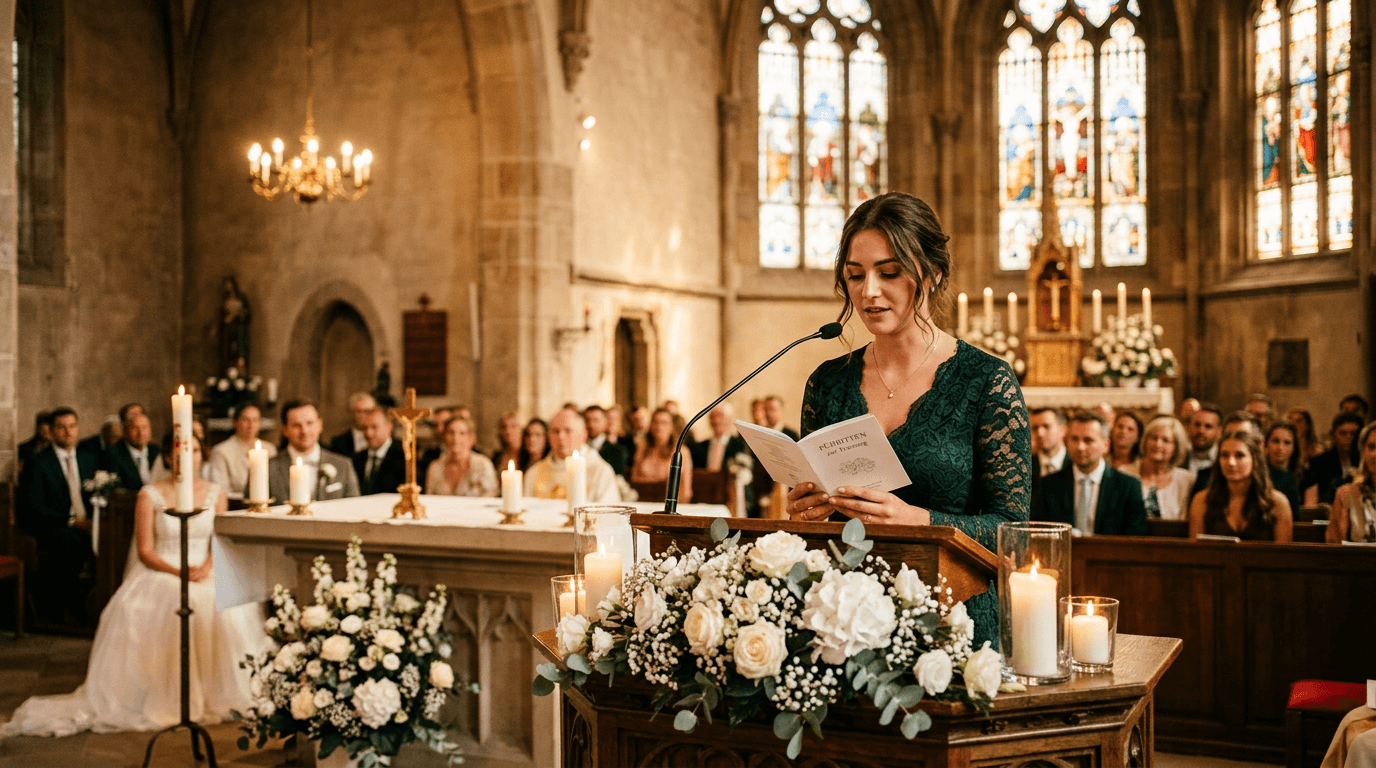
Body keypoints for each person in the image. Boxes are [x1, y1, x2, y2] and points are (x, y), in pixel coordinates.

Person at [784, 192, 1031, 649]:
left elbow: (1013, 532)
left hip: (956, 627)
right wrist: (806, 512)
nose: (868, 291)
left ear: (932, 274)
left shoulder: (985, 381)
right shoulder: (827, 383)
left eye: (889, 272)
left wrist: (918, 520)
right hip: (845, 625)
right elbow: (817, 525)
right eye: (855, 275)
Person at [0, 438, 267, 737]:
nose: (185, 458)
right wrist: (176, 570)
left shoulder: (216, 494)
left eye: (192, 451)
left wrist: (207, 566)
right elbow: (145, 550)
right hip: (162, 567)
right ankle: (160, 695)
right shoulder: (149, 494)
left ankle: (217, 692)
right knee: (165, 603)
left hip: (204, 568)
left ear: (200, 457)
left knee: (221, 604)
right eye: (178, 451)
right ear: (167, 457)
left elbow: (218, 541)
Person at [16, 407, 97, 624]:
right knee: (71, 541)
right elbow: (33, 507)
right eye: (61, 428)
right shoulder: (39, 461)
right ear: (51, 431)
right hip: (53, 524)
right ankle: (66, 605)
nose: (68, 432)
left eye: (72, 427)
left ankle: (96, 602)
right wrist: (72, 522)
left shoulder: (88, 458)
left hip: (90, 523)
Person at [1033, 413, 1148, 535]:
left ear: (1105, 445)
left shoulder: (1128, 486)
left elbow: (1136, 536)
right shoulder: (1048, 485)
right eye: (1074, 439)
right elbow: (1040, 533)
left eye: (1088, 440)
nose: (1080, 447)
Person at [1188, 430, 1293, 542]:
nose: (1231, 462)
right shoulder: (1202, 500)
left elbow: (1284, 555)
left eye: (1239, 455)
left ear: (1254, 459)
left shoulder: (1278, 502)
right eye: (1224, 455)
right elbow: (1195, 552)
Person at [1191, 412, 1300, 514]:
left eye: (1242, 437)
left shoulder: (1283, 481)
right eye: (1228, 436)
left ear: (1259, 444)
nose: (1233, 441)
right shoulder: (1205, 478)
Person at [268, 399, 360, 502]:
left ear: (320, 425)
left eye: (310, 423)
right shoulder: (268, 468)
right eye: (296, 425)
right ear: (284, 430)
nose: (304, 431)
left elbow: (354, 508)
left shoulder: (343, 466)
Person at [524, 409, 620, 502]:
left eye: (568, 431)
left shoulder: (600, 471)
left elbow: (608, 515)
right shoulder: (533, 474)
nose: (561, 437)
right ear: (549, 436)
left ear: (583, 434)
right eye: (555, 431)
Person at [1121, 416, 1195, 520]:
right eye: (1154, 438)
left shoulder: (1187, 480)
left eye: (1165, 440)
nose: (1158, 444)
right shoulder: (1123, 474)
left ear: (1176, 447)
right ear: (1145, 441)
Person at [207, 404, 276, 499]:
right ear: (235, 422)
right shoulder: (221, 451)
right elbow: (220, 490)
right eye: (246, 420)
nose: (251, 425)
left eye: (255, 420)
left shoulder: (269, 449)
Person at [631, 408, 694, 502]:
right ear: (651, 425)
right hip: (646, 502)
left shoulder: (682, 452)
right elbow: (634, 479)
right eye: (655, 422)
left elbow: (686, 492)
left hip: (672, 505)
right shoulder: (642, 449)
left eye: (664, 423)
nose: (659, 427)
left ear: (671, 426)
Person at [426, 414, 498, 496]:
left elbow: (489, 498)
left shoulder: (483, 465)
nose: (455, 438)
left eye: (462, 433)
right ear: (444, 437)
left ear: (471, 438)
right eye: (451, 432)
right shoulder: (435, 467)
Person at [1327, 422, 1376, 543]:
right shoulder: (1346, 494)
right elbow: (1334, 545)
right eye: (1371, 447)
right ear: (1363, 451)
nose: (1375, 454)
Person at [1309, 411, 1364, 504]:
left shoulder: (1366, 461)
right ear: (1334, 435)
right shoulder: (1318, 462)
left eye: (1353, 433)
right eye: (1343, 433)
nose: (1348, 437)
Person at [100, 412, 159, 493]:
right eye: (135, 428)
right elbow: (116, 492)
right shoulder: (112, 454)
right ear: (124, 431)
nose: (141, 433)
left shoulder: (157, 451)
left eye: (144, 427)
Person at [353, 408, 406, 495]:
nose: (368, 433)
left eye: (374, 427)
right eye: (364, 428)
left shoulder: (404, 458)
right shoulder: (356, 459)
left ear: (389, 427)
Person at [689, 403, 750, 473]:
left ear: (729, 419)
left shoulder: (739, 445)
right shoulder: (699, 448)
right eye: (712, 417)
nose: (716, 420)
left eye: (720, 416)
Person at [327, 392, 377, 458]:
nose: (362, 415)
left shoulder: (382, 438)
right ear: (352, 413)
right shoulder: (339, 443)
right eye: (358, 411)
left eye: (367, 411)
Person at [585, 405, 631, 477]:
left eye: (596, 420)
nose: (591, 425)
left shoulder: (618, 451)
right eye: (587, 420)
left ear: (605, 422)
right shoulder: (579, 448)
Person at [1264, 422, 1306, 501]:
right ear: (1266, 444)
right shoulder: (1258, 474)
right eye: (1276, 441)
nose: (1280, 447)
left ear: (1294, 447)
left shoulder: (1306, 475)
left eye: (1287, 442)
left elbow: (1310, 511)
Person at [1184, 404, 1222, 473]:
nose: (1201, 431)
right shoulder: (1178, 458)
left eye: (1208, 426)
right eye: (1197, 424)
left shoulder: (1222, 461)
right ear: (1189, 427)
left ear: (1219, 432)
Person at [1030, 408, 1068, 476]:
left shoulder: (1076, 464)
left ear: (1063, 430)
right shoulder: (1026, 466)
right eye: (1035, 428)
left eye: (1046, 426)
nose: (1040, 433)